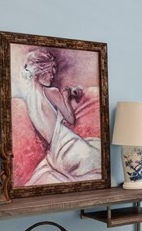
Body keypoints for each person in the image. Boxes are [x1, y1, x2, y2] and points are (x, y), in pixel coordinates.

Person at [16, 49, 102, 185]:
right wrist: (66, 98)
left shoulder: (29, 99)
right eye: (49, 72)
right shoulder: (52, 92)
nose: (52, 75)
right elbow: (71, 119)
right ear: (40, 72)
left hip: (56, 156)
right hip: (69, 146)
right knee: (100, 159)